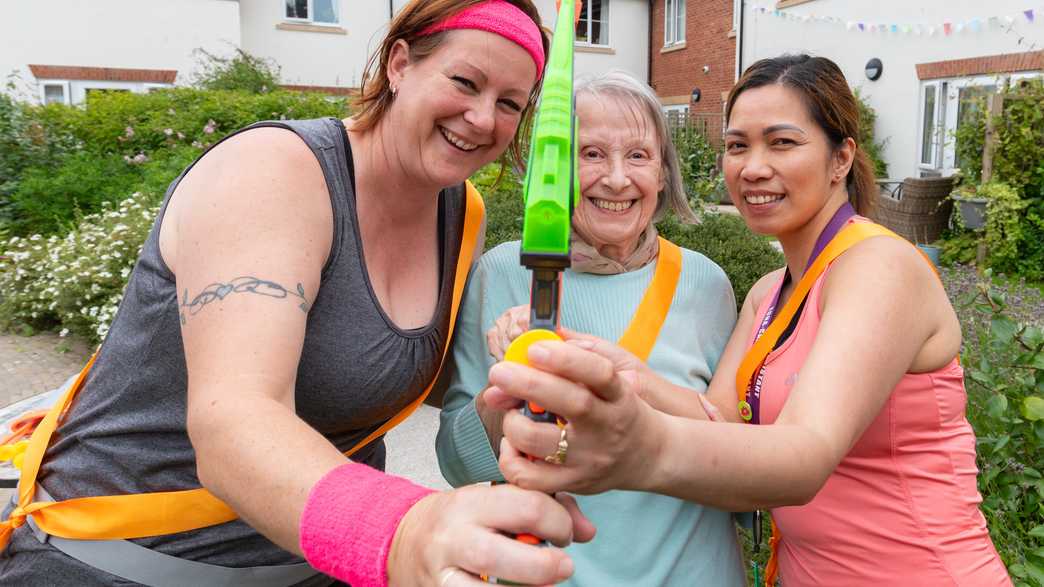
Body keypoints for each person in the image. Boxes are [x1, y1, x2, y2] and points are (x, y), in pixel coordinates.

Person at [0, 2, 597, 586]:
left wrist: (515, 380)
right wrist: (405, 531)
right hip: (119, 560)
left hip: (318, 567)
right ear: (399, 64)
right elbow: (233, 423)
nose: (483, 119)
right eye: (465, 82)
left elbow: (380, 367)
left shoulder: (459, 212)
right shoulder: (274, 173)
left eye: (511, 104)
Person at [483, 55, 1011, 585]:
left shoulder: (880, 267)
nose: (753, 167)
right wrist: (619, 369)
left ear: (841, 158)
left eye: (782, 142)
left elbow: (805, 456)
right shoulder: (769, 293)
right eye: (738, 145)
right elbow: (719, 421)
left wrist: (641, 450)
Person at [436, 70, 746, 586]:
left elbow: (735, 453)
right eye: (592, 154)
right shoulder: (505, 272)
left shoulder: (704, 285)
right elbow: (457, 464)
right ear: (550, 169)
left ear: (665, 174)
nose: (618, 179)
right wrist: (511, 385)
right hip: (551, 572)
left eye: (639, 156)